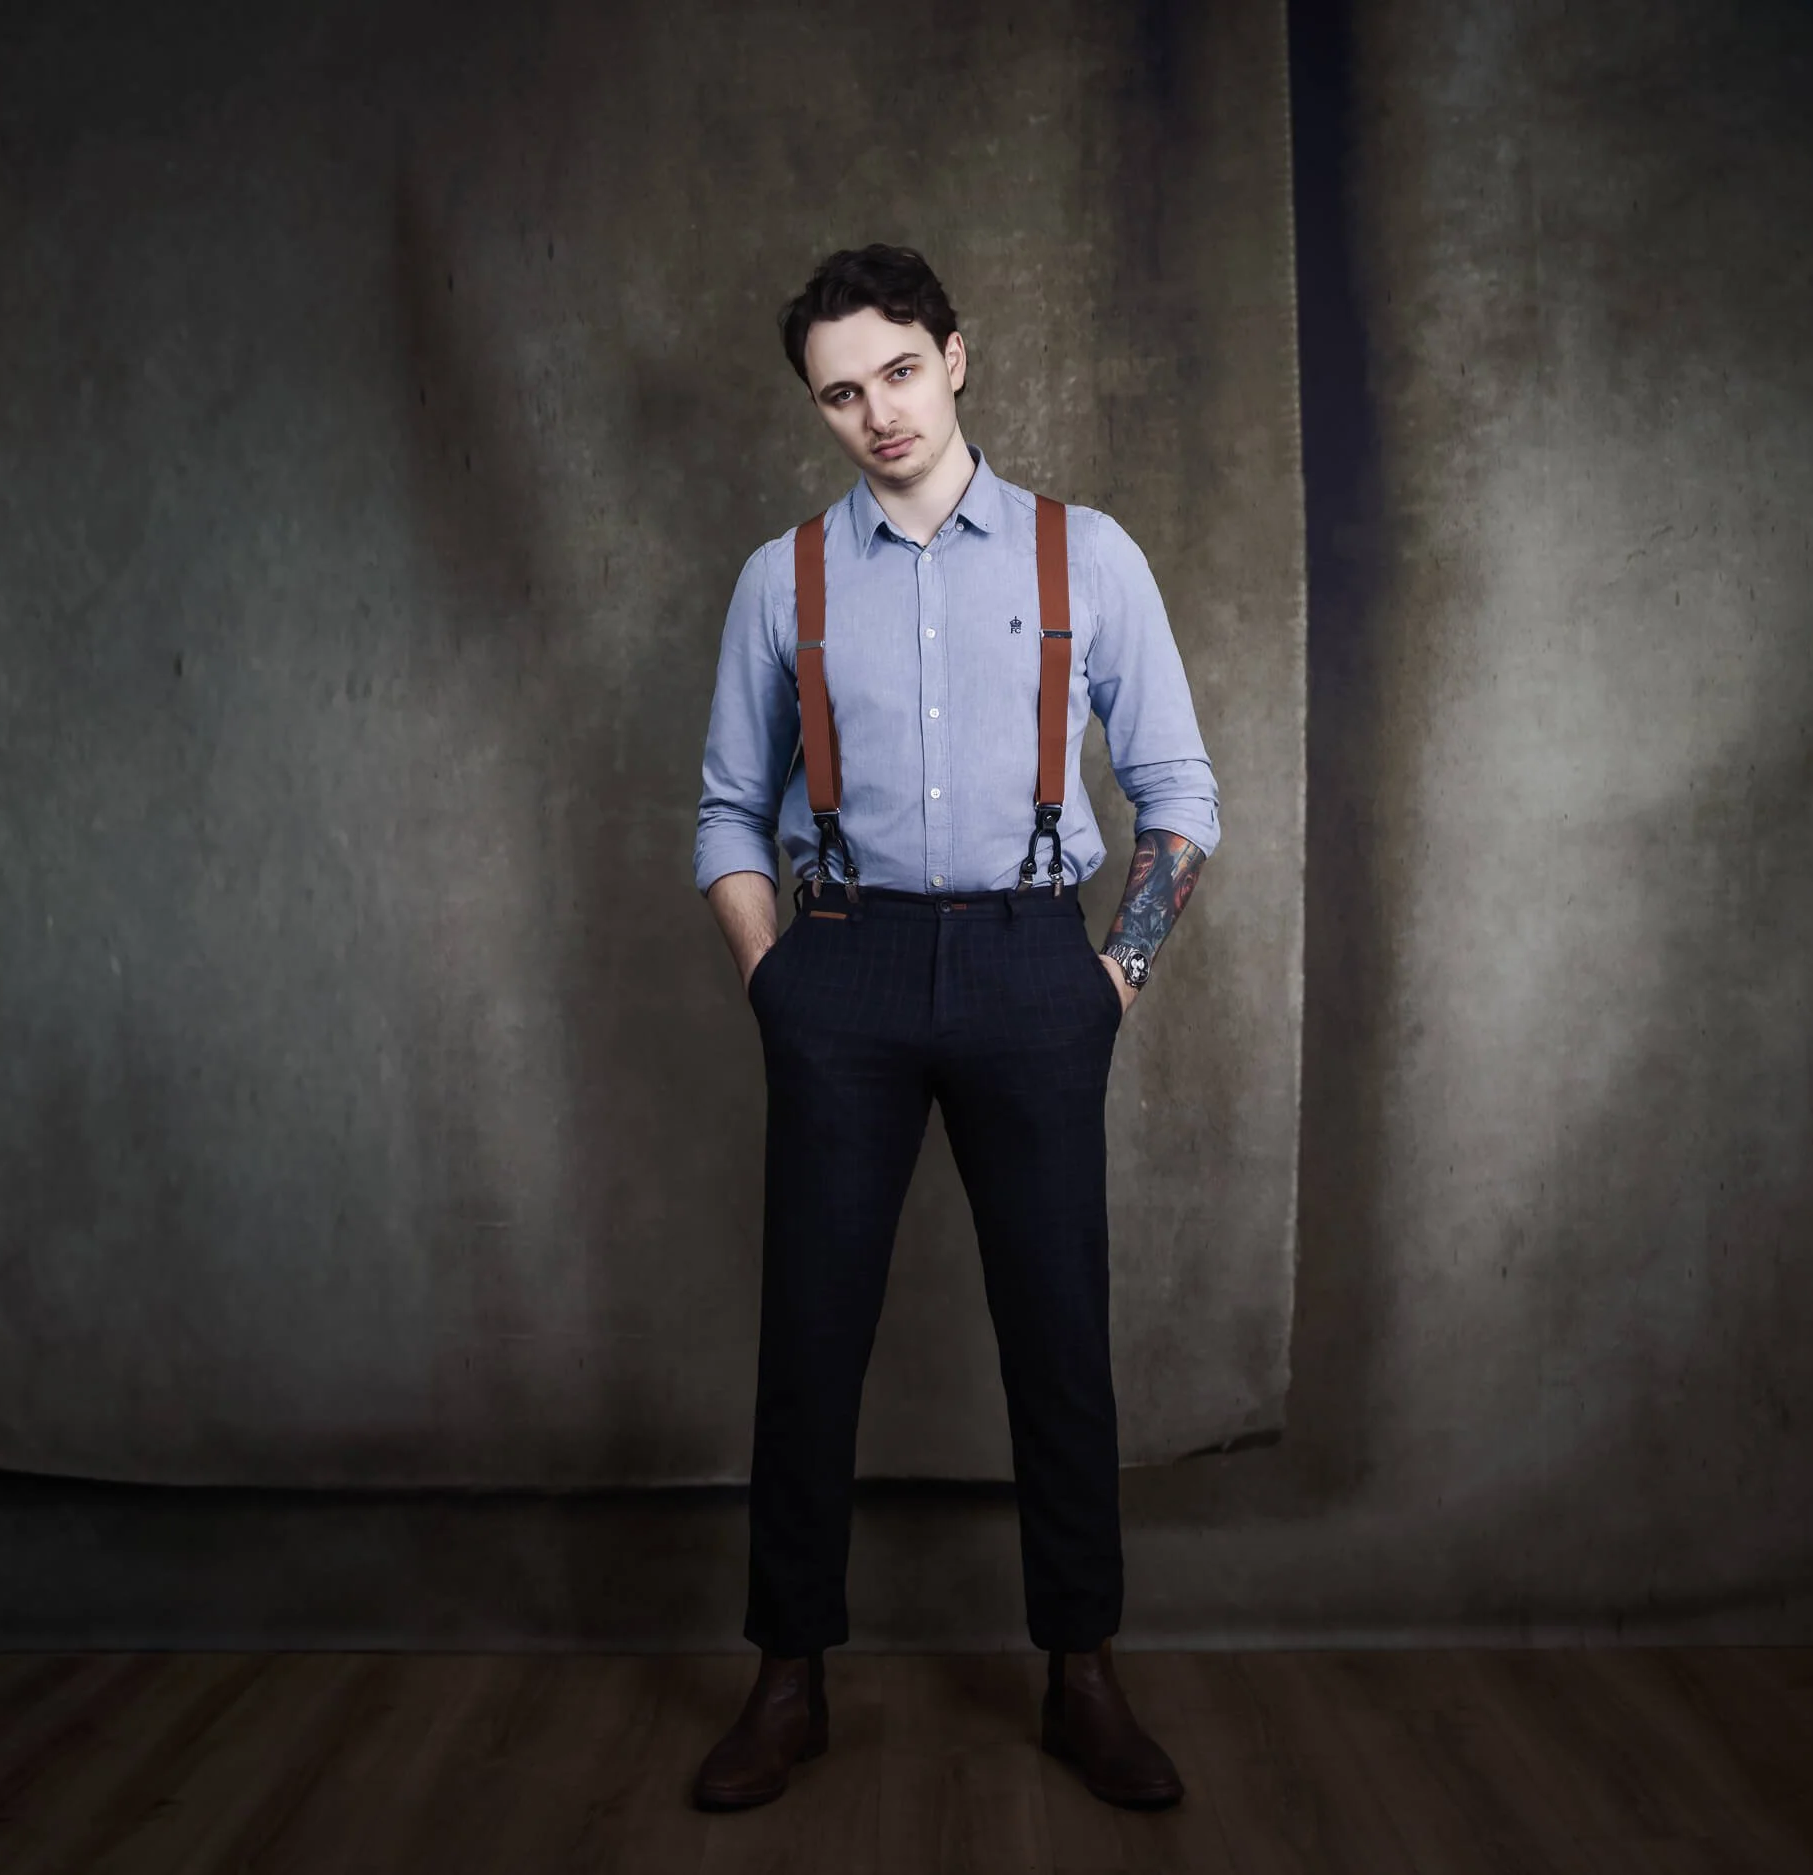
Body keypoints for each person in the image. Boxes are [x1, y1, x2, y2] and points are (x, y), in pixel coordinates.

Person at [687, 244, 1219, 1813]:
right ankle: (788, 1675)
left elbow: (1181, 796)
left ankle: (1083, 1671)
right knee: (810, 1338)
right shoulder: (781, 580)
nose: (877, 412)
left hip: (1031, 968)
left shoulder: (1087, 558)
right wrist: (773, 976)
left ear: (957, 357)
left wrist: (1112, 969)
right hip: (839, 971)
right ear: (820, 406)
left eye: (899, 371)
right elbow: (726, 807)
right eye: (841, 391)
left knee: (1059, 1334)